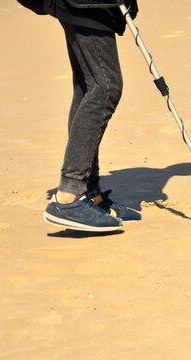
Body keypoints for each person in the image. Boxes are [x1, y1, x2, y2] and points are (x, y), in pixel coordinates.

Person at [42, 0, 141, 232]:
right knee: (106, 88)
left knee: (88, 88)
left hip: (85, 5)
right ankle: (68, 197)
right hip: (86, 4)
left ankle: (89, 193)